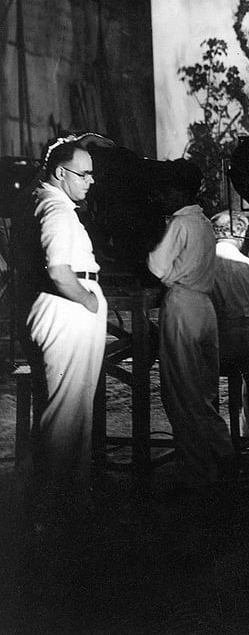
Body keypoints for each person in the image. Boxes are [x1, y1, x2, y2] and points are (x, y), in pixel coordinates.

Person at [16, 136, 107, 502]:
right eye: (84, 174)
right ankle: (58, 503)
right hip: (66, 310)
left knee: (68, 409)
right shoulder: (55, 209)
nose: (91, 181)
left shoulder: (45, 201)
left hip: (59, 309)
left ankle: (63, 496)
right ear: (60, 173)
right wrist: (88, 300)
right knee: (67, 413)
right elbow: (57, 270)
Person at [147, 160, 235, 490]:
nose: (161, 197)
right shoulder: (202, 222)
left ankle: (198, 473)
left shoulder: (180, 223)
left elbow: (156, 266)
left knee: (182, 394)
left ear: (178, 191)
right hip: (204, 308)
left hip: (182, 304)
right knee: (203, 393)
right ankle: (223, 458)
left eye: (165, 191)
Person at [211, 210, 249, 445]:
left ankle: (212, 432)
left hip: (210, 342)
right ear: (241, 233)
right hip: (245, 343)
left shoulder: (201, 265)